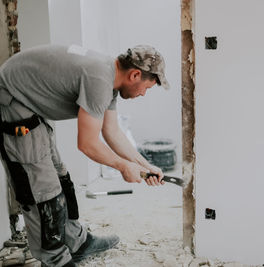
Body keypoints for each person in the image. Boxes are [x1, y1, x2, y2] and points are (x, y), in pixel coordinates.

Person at [0, 44, 170, 267]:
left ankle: (76, 242)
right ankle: (55, 261)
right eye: (145, 88)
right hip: (12, 100)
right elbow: (88, 144)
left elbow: (112, 133)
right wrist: (123, 167)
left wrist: (144, 165)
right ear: (135, 74)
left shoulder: (110, 77)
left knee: (60, 178)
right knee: (42, 191)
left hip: (30, 103)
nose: (142, 94)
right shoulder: (99, 80)